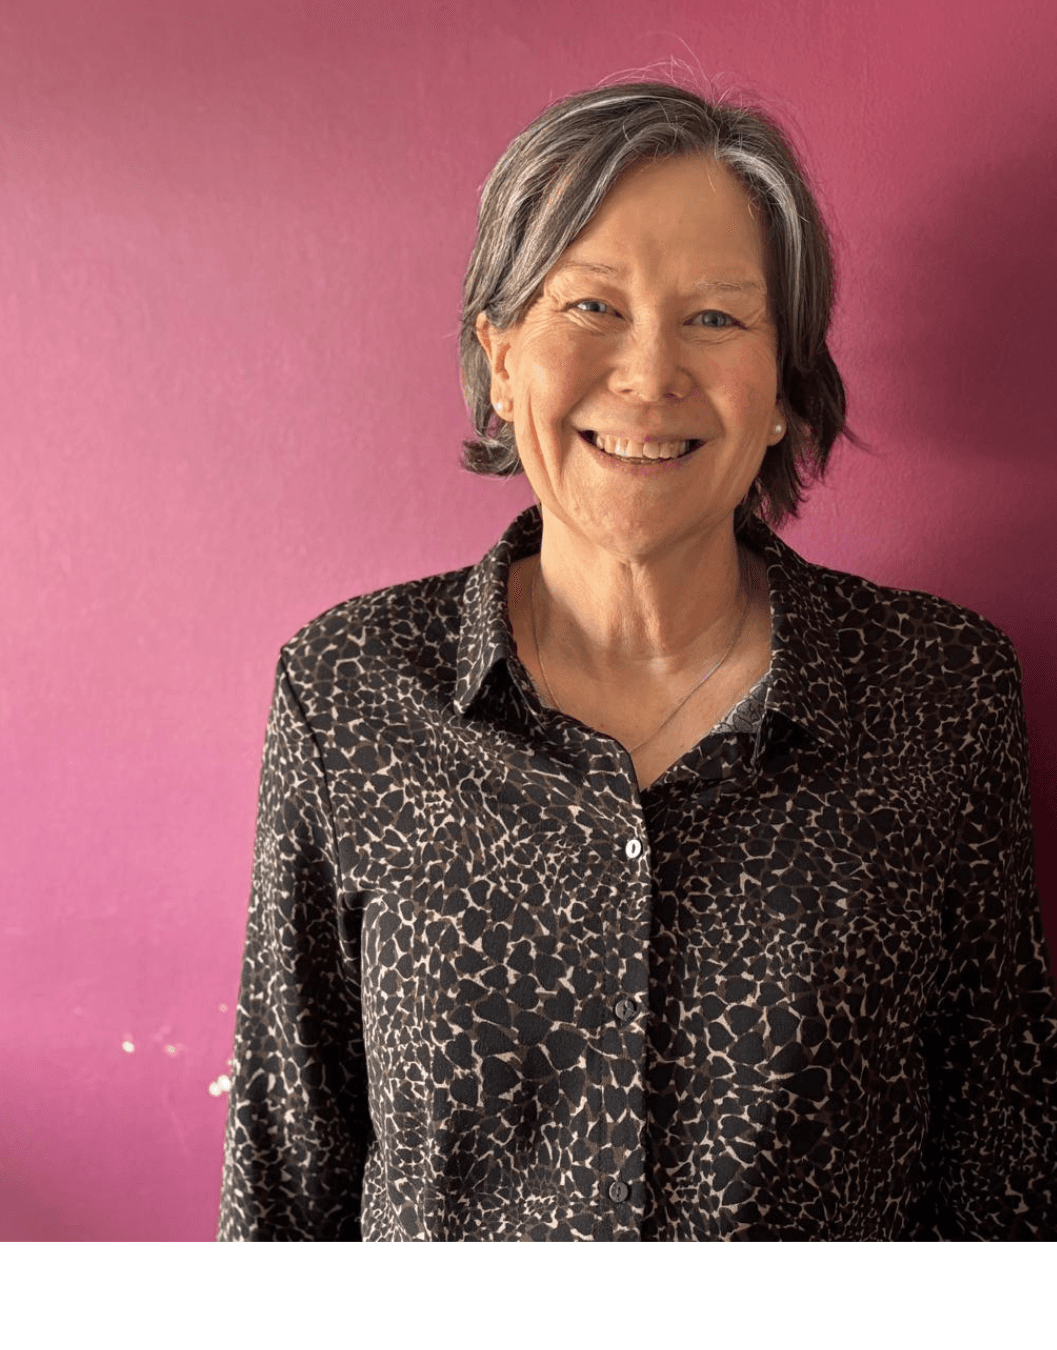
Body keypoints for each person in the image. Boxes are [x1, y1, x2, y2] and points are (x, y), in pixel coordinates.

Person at [217, 80, 1057, 1241]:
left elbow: (1003, 1171)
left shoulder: (938, 692)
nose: (650, 375)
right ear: (501, 357)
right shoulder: (351, 690)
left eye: (715, 318)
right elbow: (286, 1176)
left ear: (783, 385)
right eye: (591, 305)